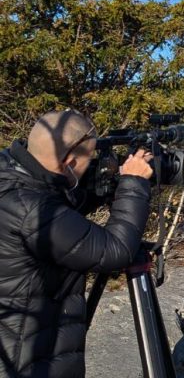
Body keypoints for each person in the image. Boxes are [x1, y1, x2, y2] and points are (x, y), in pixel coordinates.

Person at [0, 110, 154, 377]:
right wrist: (134, 184)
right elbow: (116, 251)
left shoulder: (13, 175)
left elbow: (61, 197)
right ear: (69, 161)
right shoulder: (34, 211)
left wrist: (106, 183)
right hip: (30, 359)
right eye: (89, 158)